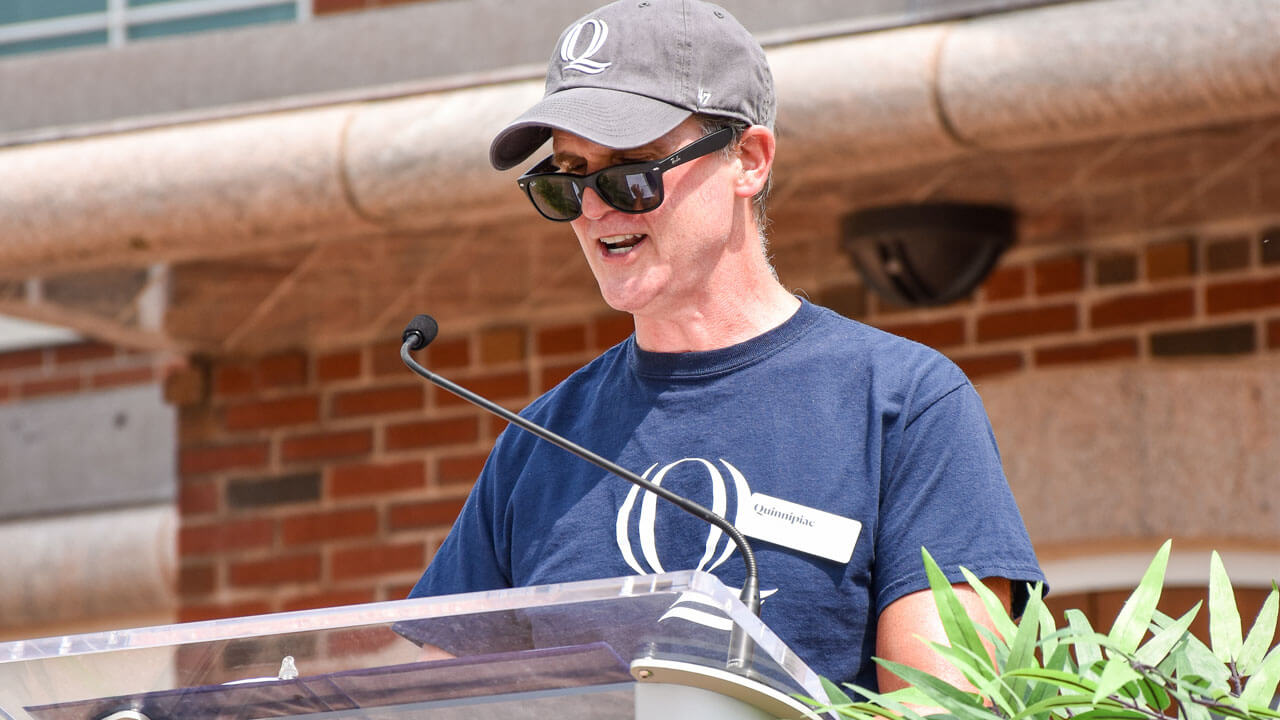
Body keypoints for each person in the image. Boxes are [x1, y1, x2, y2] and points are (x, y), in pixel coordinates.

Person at [408, 0, 1045, 692]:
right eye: (566, 180)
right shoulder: (537, 446)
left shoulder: (902, 402)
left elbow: (946, 705)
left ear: (748, 159)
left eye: (631, 173)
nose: (595, 209)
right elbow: (433, 701)